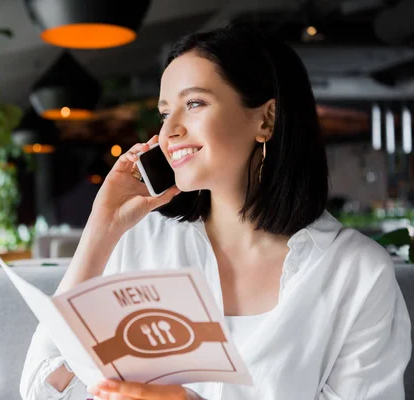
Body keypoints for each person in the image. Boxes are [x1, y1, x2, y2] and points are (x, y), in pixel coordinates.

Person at [20, 25, 412, 400]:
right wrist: (100, 231)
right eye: (163, 112)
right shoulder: (142, 241)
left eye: (193, 104)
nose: (169, 130)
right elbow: (43, 390)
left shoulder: (356, 273)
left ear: (265, 118)